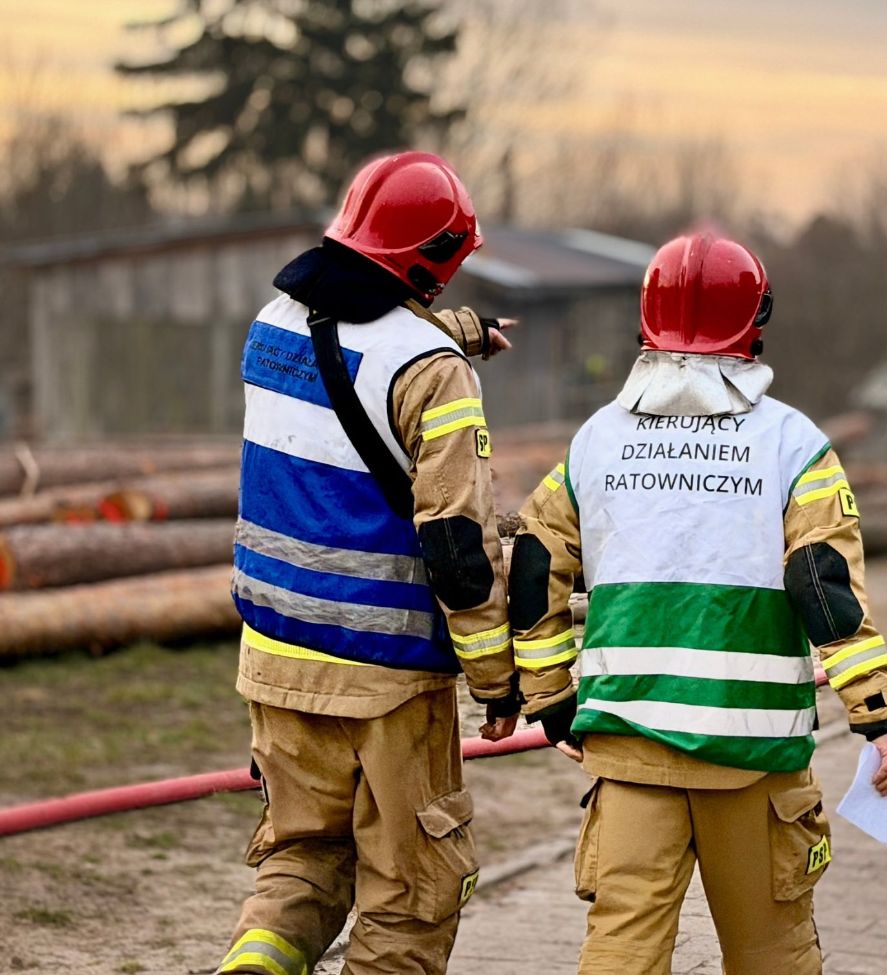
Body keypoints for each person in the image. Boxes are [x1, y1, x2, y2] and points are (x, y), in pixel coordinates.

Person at [508, 230, 887, 975]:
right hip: (753, 760)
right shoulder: (795, 446)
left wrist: (550, 699)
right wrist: (877, 713)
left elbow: (535, 572)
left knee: (621, 955)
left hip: (630, 752)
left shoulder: (595, 442)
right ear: (754, 322)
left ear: (646, 322)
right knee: (772, 955)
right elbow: (825, 589)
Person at [217, 152, 522, 975]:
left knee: (301, 857)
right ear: (435, 262)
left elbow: (354, 345)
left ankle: (253, 965)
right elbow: (460, 553)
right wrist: (496, 683)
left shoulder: (271, 327)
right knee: (412, 890)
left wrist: (455, 332)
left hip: (275, 659)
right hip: (385, 680)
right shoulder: (435, 374)